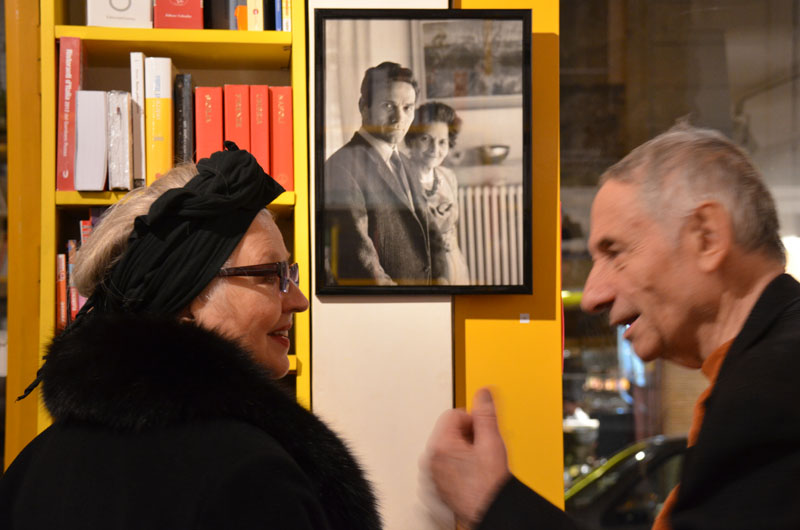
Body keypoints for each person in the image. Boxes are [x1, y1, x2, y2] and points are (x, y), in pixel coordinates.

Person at [424, 124, 800, 529]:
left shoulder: (771, 394)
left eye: (615, 252)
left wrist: (492, 503)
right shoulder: (766, 367)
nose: (592, 296)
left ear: (707, 237)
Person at [0, 143, 382, 530]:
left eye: (290, 273)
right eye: (270, 275)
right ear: (185, 302)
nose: (298, 301)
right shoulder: (250, 477)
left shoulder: (31, 467)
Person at [324, 61, 445, 286]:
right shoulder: (341, 167)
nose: (399, 119)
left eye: (407, 107)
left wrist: (441, 283)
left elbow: (429, 235)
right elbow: (360, 263)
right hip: (388, 307)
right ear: (363, 106)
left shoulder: (407, 164)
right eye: (389, 106)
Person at [405, 101, 470, 284]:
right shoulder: (401, 181)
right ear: (411, 140)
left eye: (442, 142)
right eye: (426, 139)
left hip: (454, 265)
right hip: (421, 273)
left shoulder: (449, 177)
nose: (435, 149)